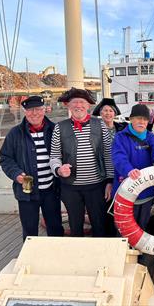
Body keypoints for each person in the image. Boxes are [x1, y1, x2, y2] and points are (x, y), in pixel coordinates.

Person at [49, 87, 114, 237]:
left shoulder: (100, 125)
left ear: (88, 105)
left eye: (82, 102)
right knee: (75, 226)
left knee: (99, 224)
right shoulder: (60, 127)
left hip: (97, 186)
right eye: (74, 102)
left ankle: (100, 256)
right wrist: (58, 169)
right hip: (70, 188)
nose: (78, 105)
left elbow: (108, 154)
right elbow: (54, 156)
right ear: (68, 105)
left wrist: (110, 180)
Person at [0, 96, 64, 241]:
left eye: (38, 109)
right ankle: (30, 259)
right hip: (27, 192)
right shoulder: (15, 133)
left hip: (51, 190)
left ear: (44, 110)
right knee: (29, 231)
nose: (34, 113)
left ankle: (58, 257)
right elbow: (5, 158)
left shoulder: (55, 130)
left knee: (55, 227)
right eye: (30, 110)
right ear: (25, 111)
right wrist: (16, 174)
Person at [112, 104, 154, 231]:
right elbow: (118, 157)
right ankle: (123, 250)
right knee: (123, 229)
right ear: (131, 119)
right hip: (124, 190)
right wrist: (128, 170)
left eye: (144, 119)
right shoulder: (120, 137)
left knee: (141, 228)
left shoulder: (150, 136)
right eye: (138, 118)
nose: (141, 122)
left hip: (146, 193)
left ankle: (139, 251)